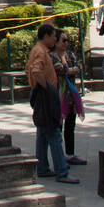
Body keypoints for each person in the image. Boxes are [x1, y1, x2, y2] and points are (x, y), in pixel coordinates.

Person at [26, 23, 78, 184]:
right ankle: (62, 171)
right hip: (45, 95)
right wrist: (48, 88)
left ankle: (42, 166)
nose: (55, 39)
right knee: (54, 133)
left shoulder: (39, 50)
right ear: (46, 36)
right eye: (54, 36)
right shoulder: (40, 51)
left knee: (43, 133)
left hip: (42, 93)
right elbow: (35, 71)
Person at [53, 31, 85, 165]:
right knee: (58, 127)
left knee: (70, 125)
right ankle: (60, 157)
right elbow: (61, 70)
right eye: (63, 40)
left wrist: (69, 70)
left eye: (67, 40)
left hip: (71, 95)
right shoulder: (52, 56)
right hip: (58, 95)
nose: (66, 43)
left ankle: (70, 154)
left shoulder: (70, 54)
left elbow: (79, 67)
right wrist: (69, 69)